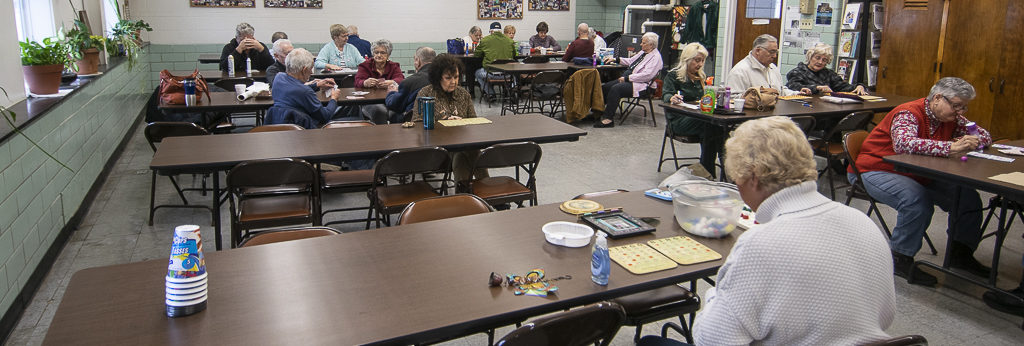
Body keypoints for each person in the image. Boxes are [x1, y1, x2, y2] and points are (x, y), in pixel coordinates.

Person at [691, 116, 895, 345]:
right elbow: (886, 315)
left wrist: (715, 295)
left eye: (737, 177)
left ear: (754, 177)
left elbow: (713, 340)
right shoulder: (864, 223)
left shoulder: (760, 243)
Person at [849, 77, 993, 286]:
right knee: (916, 199)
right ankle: (900, 257)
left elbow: (985, 135)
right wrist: (949, 148)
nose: (960, 112)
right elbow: (904, 144)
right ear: (937, 98)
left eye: (963, 107)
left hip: (916, 172)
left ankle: (960, 253)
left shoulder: (951, 117)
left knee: (967, 197)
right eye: (956, 105)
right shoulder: (908, 113)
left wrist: (974, 139)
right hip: (875, 169)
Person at [412, 55, 488, 183]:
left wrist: (462, 124)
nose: (453, 81)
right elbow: (417, 125)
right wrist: (443, 124)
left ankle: (465, 192)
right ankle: (484, 188)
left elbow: (474, 123)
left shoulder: (463, 94)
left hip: (461, 144)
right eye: (448, 78)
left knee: (465, 151)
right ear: (438, 77)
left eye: (456, 77)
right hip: (436, 149)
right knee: (465, 152)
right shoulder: (425, 94)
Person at [662, 43, 723, 177]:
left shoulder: (701, 77)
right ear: (687, 59)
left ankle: (709, 169)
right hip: (679, 120)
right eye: (697, 60)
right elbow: (665, 95)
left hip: (699, 117)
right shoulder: (673, 76)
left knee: (716, 126)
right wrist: (672, 97)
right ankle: (720, 168)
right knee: (712, 126)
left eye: (702, 60)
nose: (700, 64)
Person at [595, 32, 663, 128]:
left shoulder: (656, 58)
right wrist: (615, 59)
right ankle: (597, 112)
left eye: (643, 43)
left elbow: (647, 75)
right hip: (630, 80)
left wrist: (627, 78)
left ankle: (608, 119)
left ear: (651, 45)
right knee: (606, 87)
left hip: (642, 85)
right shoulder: (643, 53)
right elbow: (631, 61)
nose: (640, 44)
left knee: (616, 89)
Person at [265, 48, 342, 129]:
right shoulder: (306, 92)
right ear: (304, 70)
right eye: (310, 68)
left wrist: (317, 85)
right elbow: (325, 116)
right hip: (306, 131)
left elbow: (293, 90)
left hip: (280, 125)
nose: (311, 72)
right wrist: (334, 99)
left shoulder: (279, 77)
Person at [362, 47, 436, 124]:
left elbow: (394, 104)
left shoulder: (410, 81)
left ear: (418, 60)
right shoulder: (443, 79)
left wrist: (392, 92)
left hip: (411, 123)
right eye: (376, 52)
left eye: (382, 53)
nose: (379, 55)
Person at [725, 34, 806, 96]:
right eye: (772, 52)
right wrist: (758, 97)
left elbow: (780, 91)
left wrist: (797, 93)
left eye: (776, 52)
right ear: (758, 51)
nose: (774, 56)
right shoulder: (740, 71)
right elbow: (732, 98)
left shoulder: (773, 68)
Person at [786, 43, 868, 95]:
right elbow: (793, 86)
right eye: (817, 58)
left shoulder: (829, 73)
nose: (820, 62)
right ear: (810, 57)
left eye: (824, 60)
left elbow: (842, 86)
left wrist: (859, 86)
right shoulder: (797, 72)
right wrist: (817, 88)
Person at [267, 39, 337, 91]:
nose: (291, 56)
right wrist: (313, 84)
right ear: (276, 56)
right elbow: (283, 88)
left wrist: (318, 82)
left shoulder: (297, 65)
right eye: (287, 54)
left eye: (292, 52)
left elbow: (308, 81)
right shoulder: (273, 70)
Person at [473, 22, 517, 98]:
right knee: (515, 73)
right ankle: (510, 90)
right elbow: (514, 55)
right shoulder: (510, 41)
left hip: (491, 74)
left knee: (477, 73)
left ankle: (491, 94)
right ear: (501, 31)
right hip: (507, 75)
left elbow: (477, 54)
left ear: (491, 31)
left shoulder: (485, 40)